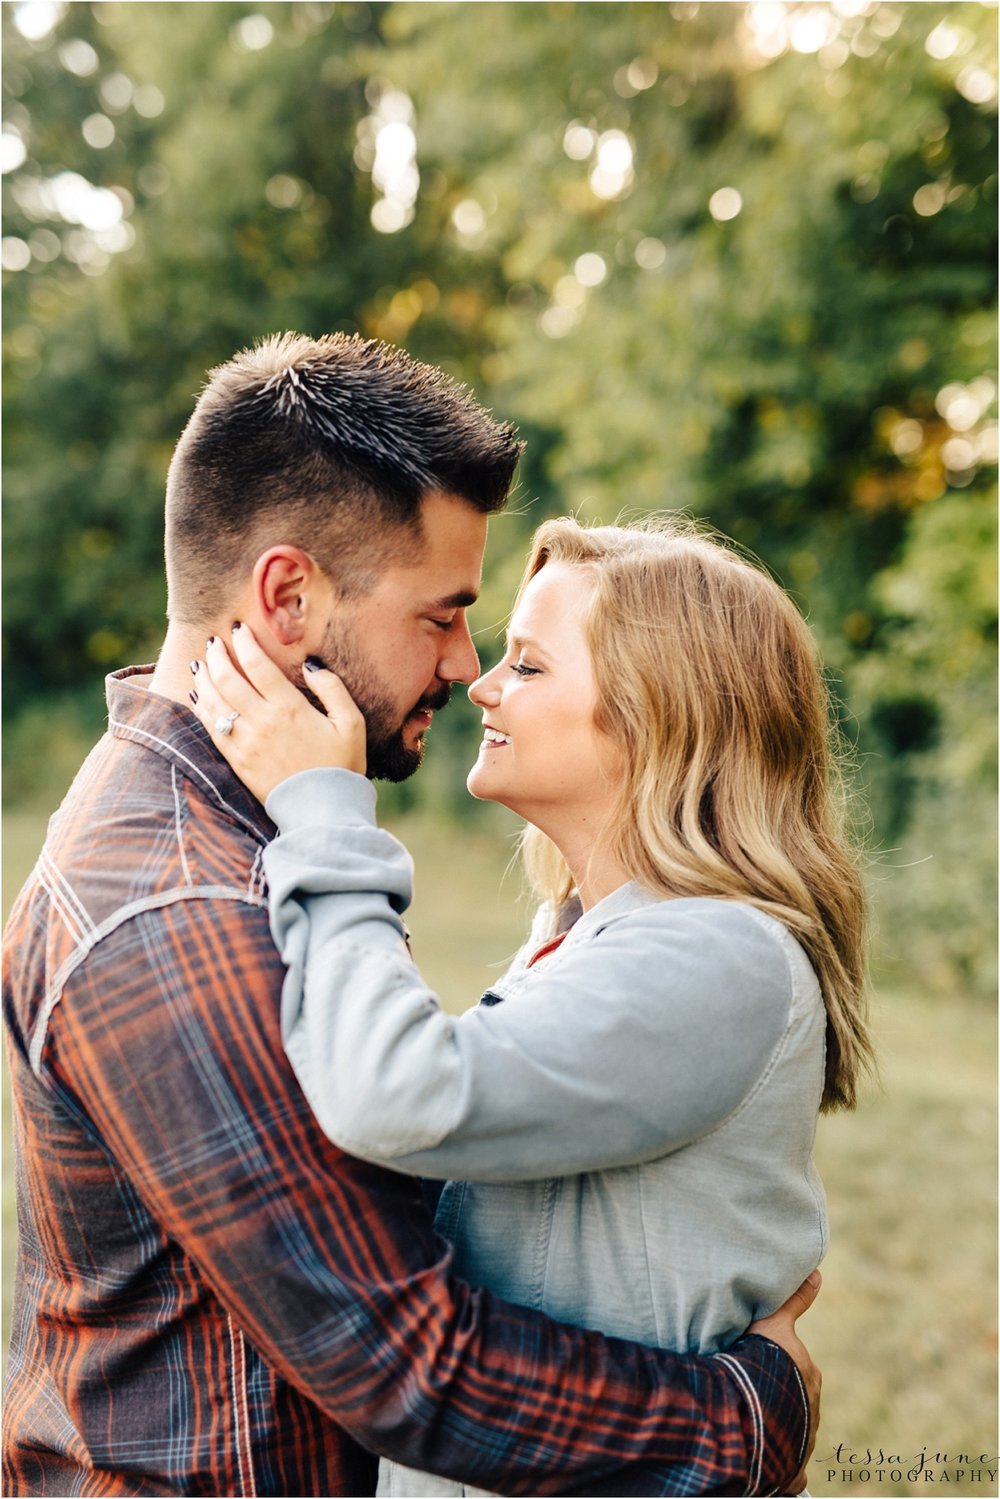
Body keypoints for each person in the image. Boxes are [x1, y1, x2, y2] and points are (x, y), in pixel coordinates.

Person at [3, 332, 820, 1499]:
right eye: (441, 615)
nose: (464, 663)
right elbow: (410, 1363)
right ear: (288, 595)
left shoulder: (248, 843)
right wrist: (744, 1415)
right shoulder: (181, 902)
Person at [189, 512, 875, 1498]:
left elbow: (395, 1095)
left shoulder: (713, 952)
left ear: (655, 713)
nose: (481, 684)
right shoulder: (594, 930)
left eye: (529, 664)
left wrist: (324, 811)